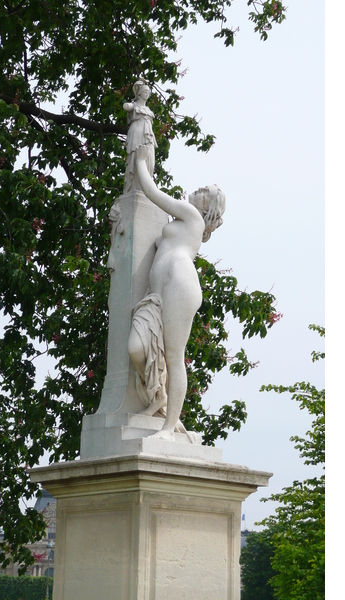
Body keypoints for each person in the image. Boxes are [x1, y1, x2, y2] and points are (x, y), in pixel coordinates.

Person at [128, 144, 226, 441]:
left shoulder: (192, 216)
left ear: (207, 205)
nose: (196, 190)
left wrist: (141, 161)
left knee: (174, 355)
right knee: (136, 347)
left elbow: (152, 192)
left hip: (180, 284)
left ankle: (169, 428)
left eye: (202, 191)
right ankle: (159, 397)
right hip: (157, 294)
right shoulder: (183, 222)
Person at [123, 79, 157, 194]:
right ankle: (134, 188)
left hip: (148, 135)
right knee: (135, 157)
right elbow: (126, 106)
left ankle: (146, 188)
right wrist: (131, 105)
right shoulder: (135, 106)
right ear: (140, 93)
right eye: (144, 92)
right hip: (137, 132)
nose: (147, 94)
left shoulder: (148, 110)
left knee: (149, 161)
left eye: (148, 92)